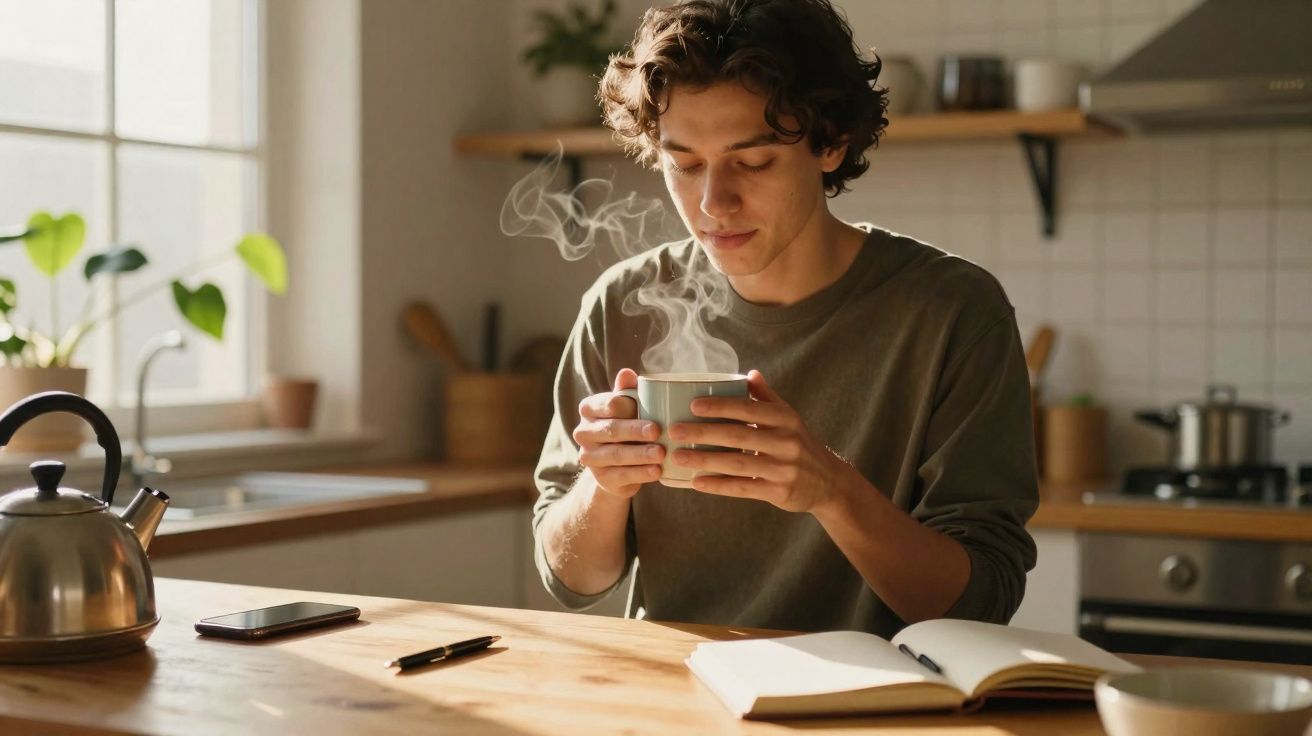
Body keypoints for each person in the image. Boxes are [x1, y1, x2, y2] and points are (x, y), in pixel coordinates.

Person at [531, 0, 1037, 638]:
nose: (714, 202)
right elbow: (570, 581)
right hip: (671, 699)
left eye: (754, 161)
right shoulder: (622, 303)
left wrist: (828, 488)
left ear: (831, 143)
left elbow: (981, 602)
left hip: (876, 707)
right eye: (684, 165)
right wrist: (605, 488)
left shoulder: (952, 312)